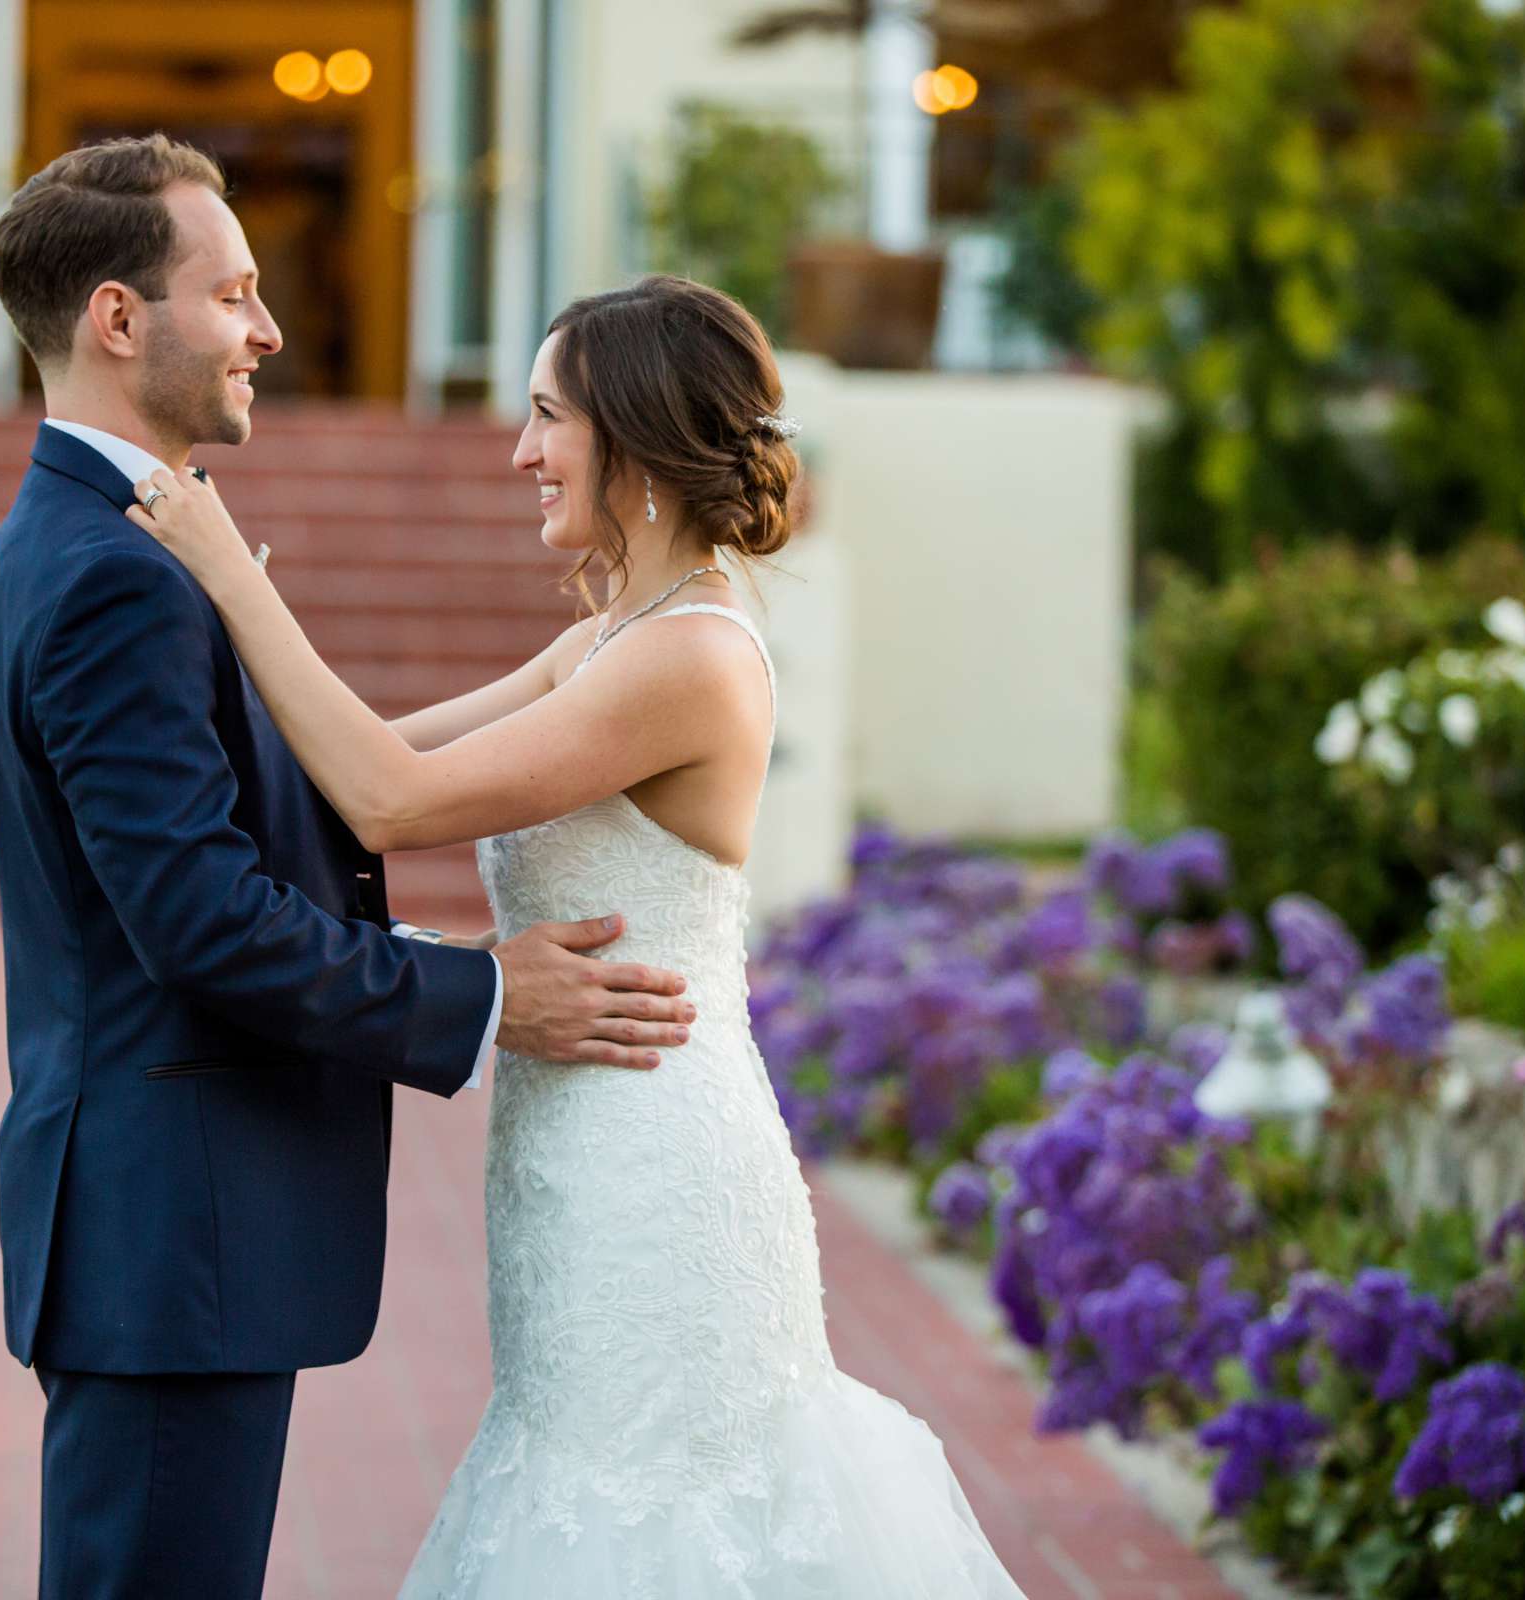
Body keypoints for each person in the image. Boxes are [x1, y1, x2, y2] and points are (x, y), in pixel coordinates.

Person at [130, 273, 1032, 1596]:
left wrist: (222, 569)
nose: (520, 450)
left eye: (548, 415)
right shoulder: (610, 640)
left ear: (639, 437)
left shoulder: (693, 661)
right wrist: (211, 637)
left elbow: (395, 797)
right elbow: (355, 776)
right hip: (567, 1160)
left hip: (657, 1172)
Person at [0, 134, 698, 1600]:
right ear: (120, 319)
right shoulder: (116, 572)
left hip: (153, 1233)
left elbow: (290, 801)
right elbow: (202, 924)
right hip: (167, 1241)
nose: (270, 331)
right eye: (234, 295)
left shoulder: (101, 537)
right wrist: (483, 998)